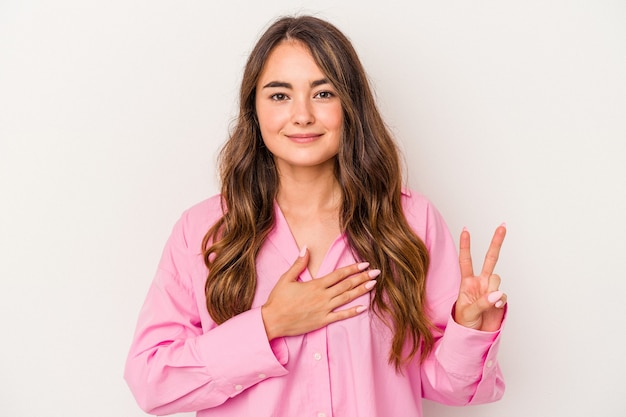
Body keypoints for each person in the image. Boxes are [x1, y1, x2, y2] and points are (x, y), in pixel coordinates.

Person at [124, 15, 508, 417]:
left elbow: (447, 387)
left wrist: (467, 330)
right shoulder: (203, 231)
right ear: (254, 110)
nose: (302, 115)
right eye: (279, 95)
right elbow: (152, 383)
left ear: (351, 105)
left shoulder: (410, 221)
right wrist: (269, 324)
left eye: (323, 94)